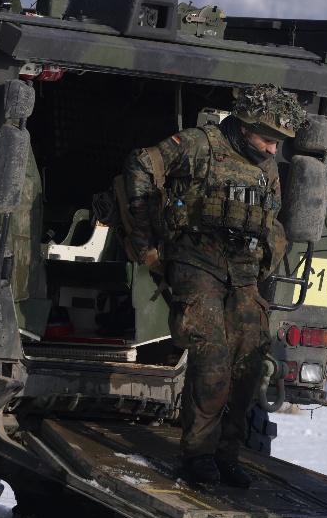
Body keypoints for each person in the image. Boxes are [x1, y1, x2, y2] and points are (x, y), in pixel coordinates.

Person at [124, 84, 305, 487]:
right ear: (243, 127)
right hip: (196, 260)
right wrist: (143, 229)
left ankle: (228, 454)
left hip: (242, 270)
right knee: (212, 360)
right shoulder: (199, 144)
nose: (273, 150)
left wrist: (267, 256)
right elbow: (141, 163)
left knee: (250, 364)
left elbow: (270, 216)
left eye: (278, 143)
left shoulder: (267, 167)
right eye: (267, 140)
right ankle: (199, 455)